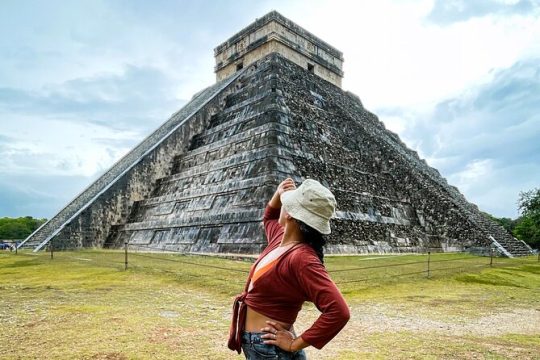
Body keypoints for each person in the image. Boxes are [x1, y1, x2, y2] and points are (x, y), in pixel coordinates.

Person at [228, 178, 350, 359]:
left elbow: (339, 311)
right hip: (262, 344)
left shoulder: (302, 258)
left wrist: (295, 343)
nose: (283, 204)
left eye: (287, 202)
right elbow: (269, 216)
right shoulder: (279, 239)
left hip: (268, 347)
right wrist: (279, 193)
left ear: (291, 214)